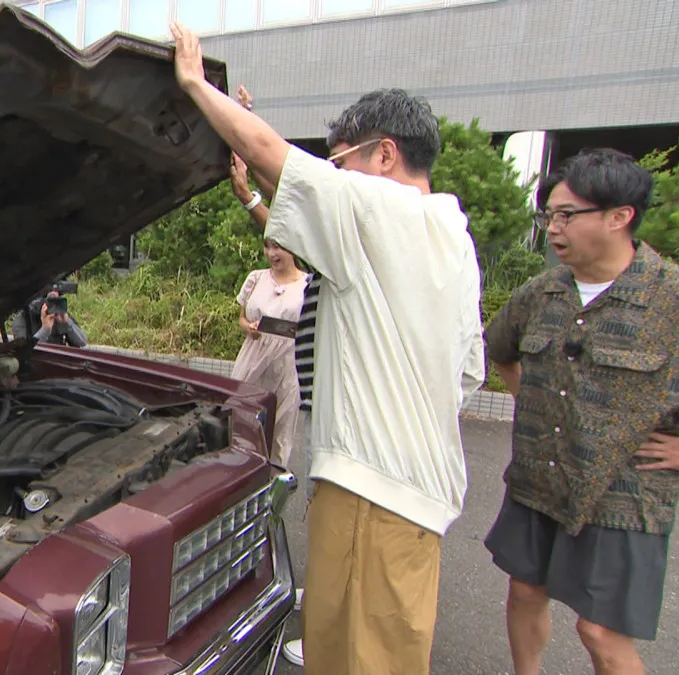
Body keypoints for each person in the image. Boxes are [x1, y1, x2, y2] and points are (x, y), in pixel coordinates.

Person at [168, 23, 486, 674]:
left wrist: (196, 85)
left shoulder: (384, 213)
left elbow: (268, 150)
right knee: (355, 652)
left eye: (342, 163)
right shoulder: (448, 236)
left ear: (386, 154)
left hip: (376, 493)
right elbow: (471, 371)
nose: (335, 176)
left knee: (361, 663)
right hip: (408, 495)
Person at [482, 148, 679, 675]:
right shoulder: (540, 294)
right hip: (538, 481)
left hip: (623, 497)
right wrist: (533, 406)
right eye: (549, 216)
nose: (553, 228)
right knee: (524, 592)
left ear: (619, 216)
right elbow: (501, 350)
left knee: (601, 631)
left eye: (567, 215)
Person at [229, 237, 307, 467]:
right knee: (241, 416)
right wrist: (248, 327)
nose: (272, 253)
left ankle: (272, 481)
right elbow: (242, 319)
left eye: (278, 247)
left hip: (288, 362)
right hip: (254, 355)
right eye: (267, 247)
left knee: (281, 425)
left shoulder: (307, 285)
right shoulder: (256, 278)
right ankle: (237, 471)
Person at [10, 290, 89, 347]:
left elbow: (82, 343)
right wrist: (45, 329)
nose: (51, 306)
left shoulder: (58, 313)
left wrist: (66, 324)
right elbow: (24, 352)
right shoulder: (23, 317)